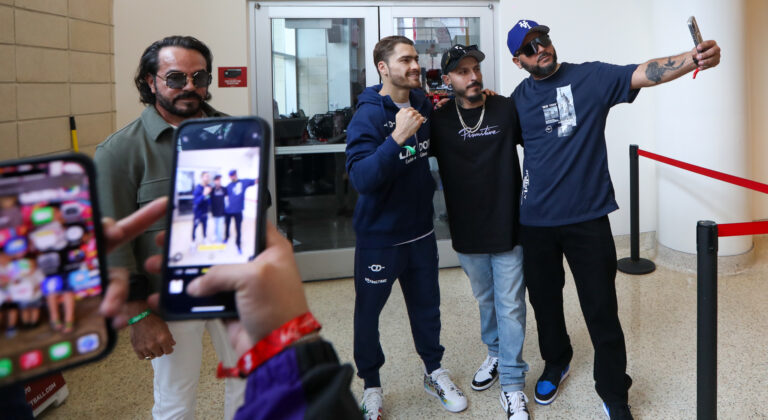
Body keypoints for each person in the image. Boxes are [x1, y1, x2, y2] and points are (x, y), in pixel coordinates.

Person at [506, 19, 721, 419]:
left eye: (544, 40)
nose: (542, 49)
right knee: (545, 303)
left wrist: (693, 58)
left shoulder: (590, 77)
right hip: (535, 221)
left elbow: (643, 72)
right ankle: (557, 361)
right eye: (530, 48)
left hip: (588, 218)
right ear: (518, 61)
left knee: (601, 307)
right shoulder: (516, 101)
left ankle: (613, 392)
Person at [94, 36, 244, 420]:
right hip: (169, 299)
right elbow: (112, 245)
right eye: (176, 77)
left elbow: (256, 214)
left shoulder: (234, 132)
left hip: (235, 288)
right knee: (175, 400)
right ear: (150, 82)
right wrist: (139, 316)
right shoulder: (120, 151)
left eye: (199, 76)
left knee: (252, 386)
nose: (190, 87)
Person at [345, 35, 467, 419]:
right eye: (405, 60)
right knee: (368, 316)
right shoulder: (366, 115)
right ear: (383, 67)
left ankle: (434, 372)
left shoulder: (420, 103)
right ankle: (372, 387)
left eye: (416, 59)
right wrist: (397, 137)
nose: (415, 66)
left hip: (421, 234)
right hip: (380, 239)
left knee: (427, 310)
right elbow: (362, 178)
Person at [430, 44, 529, 420]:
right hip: (467, 230)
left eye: (476, 69)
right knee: (486, 300)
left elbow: (538, 146)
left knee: (511, 304)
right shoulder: (439, 119)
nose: (473, 77)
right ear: (448, 79)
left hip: (508, 225)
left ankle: (512, 384)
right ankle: (495, 352)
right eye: (463, 71)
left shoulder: (505, 108)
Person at [224, 169, 256, 254]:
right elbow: (225, 198)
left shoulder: (244, 182)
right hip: (228, 211)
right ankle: (226, 237)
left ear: (236, 174)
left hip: (238, 211)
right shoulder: (228, 186)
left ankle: (238, 244)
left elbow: (256, 180)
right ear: (229, 177)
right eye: (231, 175)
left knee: (238, 228)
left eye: (233, 174)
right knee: (227, 225)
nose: (232, 176)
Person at [191, 171, 212, 244]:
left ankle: (205, 238)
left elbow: (209, 201)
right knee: (195, 227)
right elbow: (196, 202)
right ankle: (193, 241)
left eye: (208, 176)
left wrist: (208, 196)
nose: (208, 178)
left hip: (205, 212)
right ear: (202, 177)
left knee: (205, 226)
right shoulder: (198, 188)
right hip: (198, 213)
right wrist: (204, 194)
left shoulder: (208, 187)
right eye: (206, 176)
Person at [210, 174, 227, 243]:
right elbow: (208, 198)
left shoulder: (224, 189)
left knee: (220, 227)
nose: (219, 181)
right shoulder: (212, 190)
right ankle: (216, 236)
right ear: (214, 181)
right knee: (216, 225)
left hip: (222, 211)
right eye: (217, 180)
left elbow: (228, 198)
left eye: (219, 180)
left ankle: (219, 241)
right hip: (214, 212)